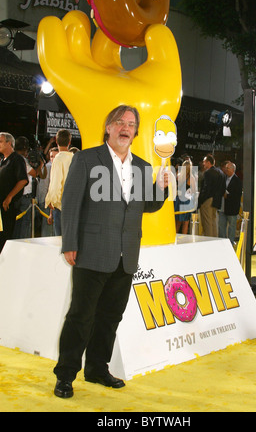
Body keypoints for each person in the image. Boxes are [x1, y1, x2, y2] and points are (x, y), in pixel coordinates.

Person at [53, 105, 170, 399]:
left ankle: (96, 369)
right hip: (91, 252)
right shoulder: (86, 158)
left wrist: (162, 188)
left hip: (126, 255)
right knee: (81, 317)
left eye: (131, 124)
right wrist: (70, 242)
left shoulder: (143, 166)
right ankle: (65, 375)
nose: (125, 127)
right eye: (120, 122)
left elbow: (148, 205)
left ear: (135, 132)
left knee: (109, 318)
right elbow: (71, 202)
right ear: (108, 127)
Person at [12, 136, 46, 239]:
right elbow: (35, 174)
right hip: (24, 196)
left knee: (17, 224)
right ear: (25, 148)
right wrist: (40, 164)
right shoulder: (21, 160)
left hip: (15, 196)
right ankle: (23, 245)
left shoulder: (12, 158)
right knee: (25, 224)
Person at [0, 133, 28, 252]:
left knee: (5, 236)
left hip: (8, 206)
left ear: (9, 143)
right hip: (1, 207)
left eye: (0, 141)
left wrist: (9, 197)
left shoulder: (17, 159)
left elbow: (23, 180)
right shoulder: (3, 160)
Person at [45, 130, 73, 236]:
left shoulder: (58, 159)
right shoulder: (75, 157)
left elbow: (56, 183)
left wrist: (51, 200)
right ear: (69, 142)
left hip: (60, 205)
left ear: (56, 141)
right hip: (73, 204)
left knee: (59, 240)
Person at [198, 154, 226, 237]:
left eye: (204, 162)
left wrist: (200, 201)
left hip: (207, 200)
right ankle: (214, 240)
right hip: (217, 200)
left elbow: (206, 189)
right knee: (213, 221)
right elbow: (223, 188)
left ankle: (208, 241)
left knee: (207, 222)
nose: (203, 164)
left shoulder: (208, 173)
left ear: (208, 162)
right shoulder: (221, 173)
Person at [218, 161, 242, 245]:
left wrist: (227, 196)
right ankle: (222, 242)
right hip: (222, 207)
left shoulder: (237, 181)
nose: (225, 170)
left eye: (227, 168)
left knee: (232, 226)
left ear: (232, 169)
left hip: (232, 208)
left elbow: (237, 195)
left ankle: (230, 242)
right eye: (225, 168)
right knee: (221, 226)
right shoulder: (223, 178)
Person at [36, 146, 59, 237]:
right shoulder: (49, 167)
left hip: (55, 204)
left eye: (55, 156)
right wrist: (43, 201)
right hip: (47, 202)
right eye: (51, 156)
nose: (53, 158)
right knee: (47, 230)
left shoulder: (57, 167)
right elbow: (43, 186)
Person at [174, 158, 197, 234]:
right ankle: (184, 240)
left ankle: (175, 238)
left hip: (178, 200)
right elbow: (194, 191)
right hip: (186, 201)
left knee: (177, 222)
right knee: (185, 223)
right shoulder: (191, 178)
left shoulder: (178, 175)